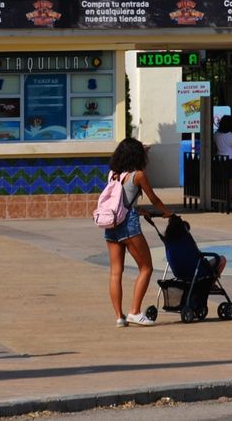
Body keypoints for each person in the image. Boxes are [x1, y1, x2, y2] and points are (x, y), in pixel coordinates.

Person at [103, 137, 171, 327]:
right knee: (146, 267)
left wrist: (139, 209)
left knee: (116, 272)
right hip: (129, 227)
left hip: (111, 224)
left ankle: (119, 316)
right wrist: (168, 213)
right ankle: (134, 312)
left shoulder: (112, 174)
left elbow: (121, 201)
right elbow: (154, 199)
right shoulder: (138, 175)